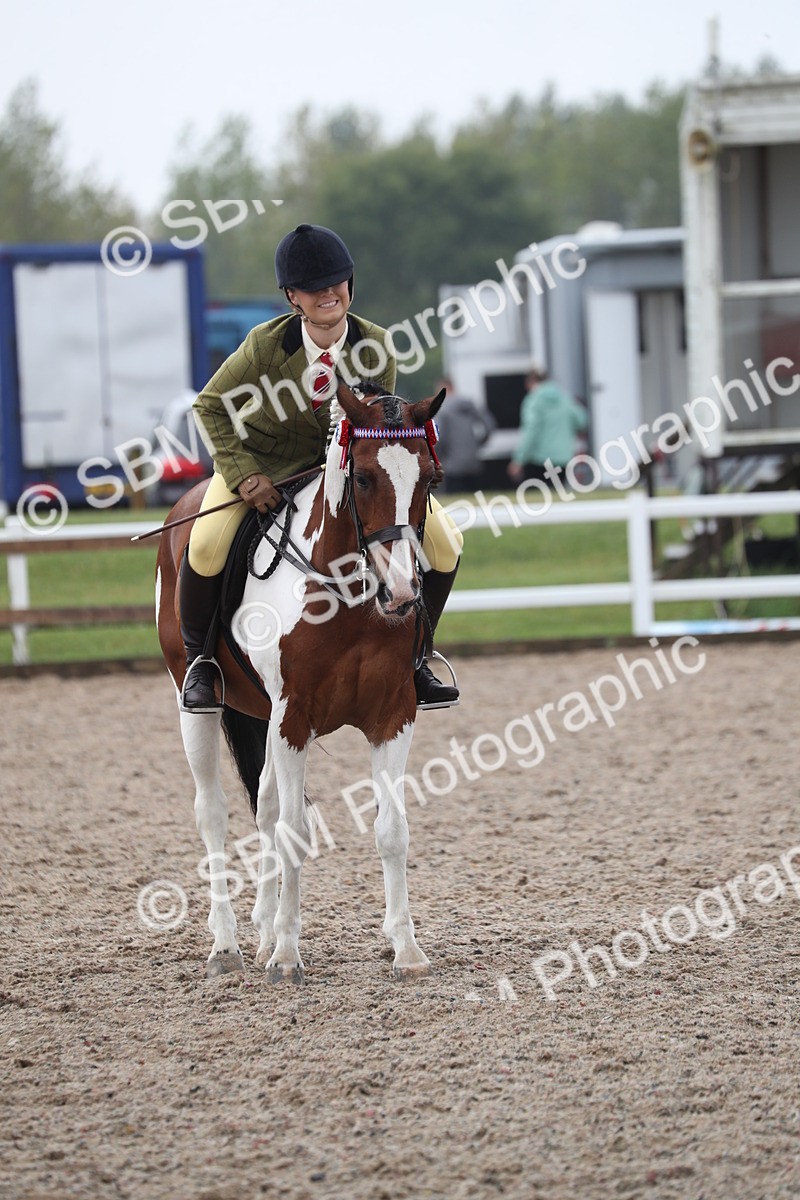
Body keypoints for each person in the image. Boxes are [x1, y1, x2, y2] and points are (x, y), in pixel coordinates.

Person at [181, 223, 463, 712]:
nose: (327, 293)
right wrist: (245, 474)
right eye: (313, 286)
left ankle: (417, 655)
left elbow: (380, 429)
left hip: (350, 474)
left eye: (336, 281)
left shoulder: (377, 343)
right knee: (205, 546)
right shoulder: (263, 346)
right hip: (261, 466)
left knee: (446, 543)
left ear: (350, 285)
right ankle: (200, 662)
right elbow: (208, 406)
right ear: (293, 296)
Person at [507, 364, 588, 486]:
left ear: (530, 381)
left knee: (537, 500)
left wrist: (519, 459)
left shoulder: (532, 400)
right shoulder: (564, 397)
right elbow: (582, 420)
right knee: (557, 496)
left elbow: (531, 431)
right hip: (563, 458)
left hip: (539, 460)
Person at [433, 377, 496, 493]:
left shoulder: (442, 409)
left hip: (452, 466)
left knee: (457, 505)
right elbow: (489, 425)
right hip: (474, 463)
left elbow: (439, 437)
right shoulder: (470, 404)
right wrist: (479, 444)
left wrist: (438, 458)